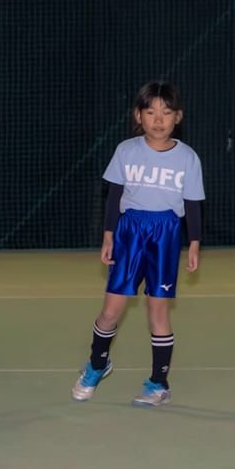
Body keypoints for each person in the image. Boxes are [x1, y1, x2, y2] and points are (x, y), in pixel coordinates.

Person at [71, 81, 204, 407]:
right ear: (138, 115)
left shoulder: (187, 158)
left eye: (166, 112)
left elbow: (193, 204)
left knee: (158, 310)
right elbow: (114, 195)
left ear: (178, 117)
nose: (158, 119)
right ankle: (97, 364)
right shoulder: (126, 151)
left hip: (165, 234)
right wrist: (108, 235)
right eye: (151, 112)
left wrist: (194, 242)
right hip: (129, 232)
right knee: (111, 310)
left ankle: (158, 384)